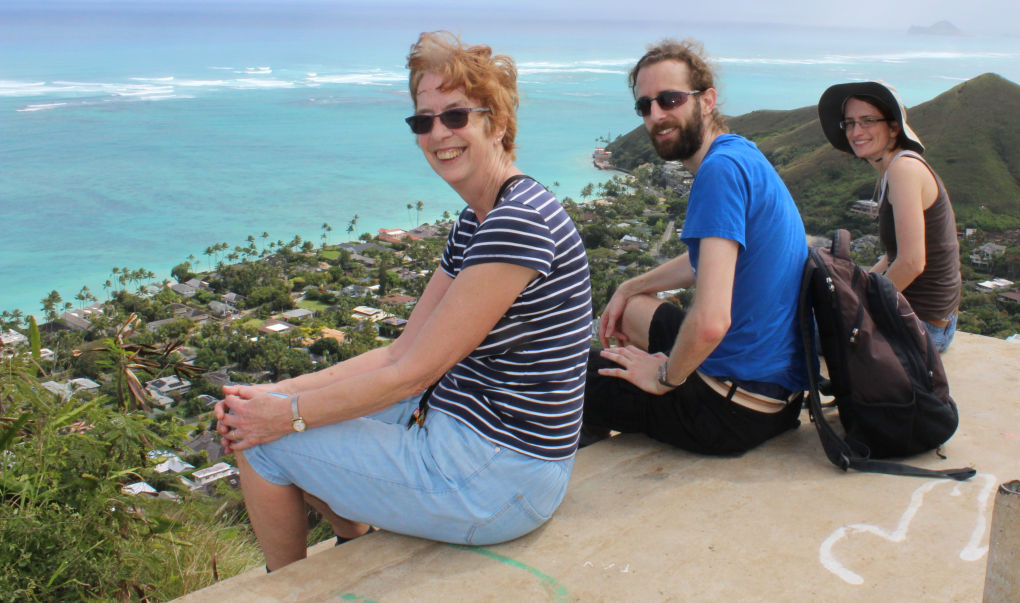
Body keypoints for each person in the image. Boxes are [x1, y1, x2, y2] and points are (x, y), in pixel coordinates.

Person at [215, 32, 592, 571]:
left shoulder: (517, 223)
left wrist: (280, 419)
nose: (439, 133)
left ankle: (287, 588)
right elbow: (399, 352)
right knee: (276, 417)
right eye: (424, 120)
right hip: (478, 442)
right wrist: (270, 395)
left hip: (500, 477)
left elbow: (411, 375)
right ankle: (354, 543)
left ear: (498, 123)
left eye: (456, 116)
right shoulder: (479, 219)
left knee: (262, 445)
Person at [583, 39, 807, 455]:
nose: (656, 115)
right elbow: (709, 259)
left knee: (562, 375)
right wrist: (630, 286)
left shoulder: (718, 172)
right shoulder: (740, 153)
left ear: (707, 101)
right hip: (777, 393)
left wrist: (664, 376)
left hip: (730, 411)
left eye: (670, 99)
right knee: (629, 309)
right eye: (645, 106)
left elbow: (710, 322)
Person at [817, 81, 960, 351]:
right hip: (930, 320)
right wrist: (858, 289)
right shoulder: (893, 168)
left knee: (797, 336)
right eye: (849, 123)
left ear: (894, 127)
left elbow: (912, 262)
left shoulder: (903, 169)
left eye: (867, 121)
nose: (856, 131)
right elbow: (894, 255)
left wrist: (861, 313)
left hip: (923, 326)